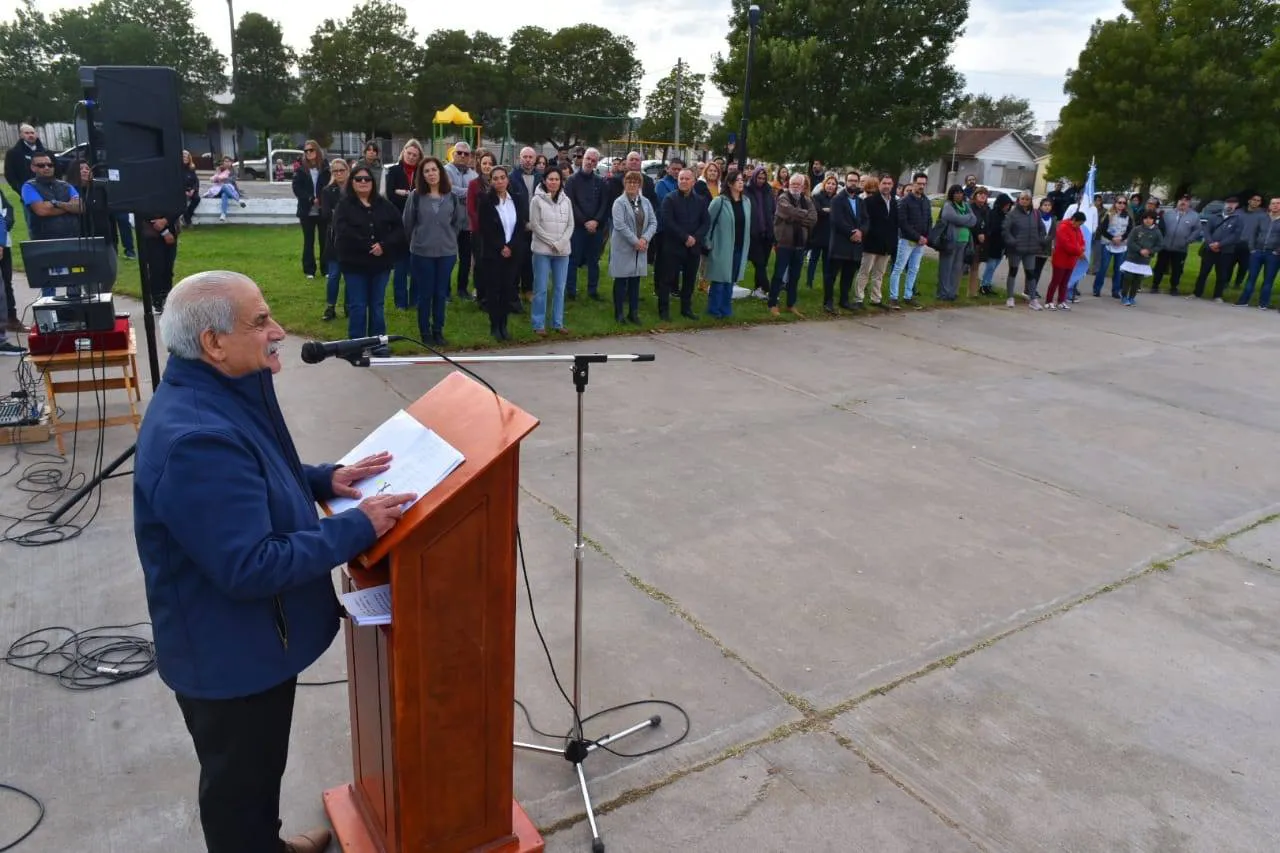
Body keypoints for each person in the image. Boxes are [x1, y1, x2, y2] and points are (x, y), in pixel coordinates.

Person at [134, 270, 415, 853]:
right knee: (239, 790)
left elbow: (253, 473)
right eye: (260, 322)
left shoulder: (219, 393)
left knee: (257, 780)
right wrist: (357, 526)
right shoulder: (196, 436)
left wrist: (322, 478)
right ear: (213, 343)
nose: (278, 331)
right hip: (230, 659)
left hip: (249, 646)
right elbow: (251, 564)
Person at [332, 162, 406, 351]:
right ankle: (355, 345)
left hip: (380, 264)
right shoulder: (344, 205)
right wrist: (367, 246)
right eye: (359, 179)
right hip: (354, 264)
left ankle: (377, 343)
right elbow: (343, 231)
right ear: (352, 182)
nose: (363, 182)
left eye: (367, 179)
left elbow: (398, 228)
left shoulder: (384, 205)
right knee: (358, 305)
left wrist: (384, 245)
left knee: (377, 305)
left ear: (373, 182)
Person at [403, 156, 467, 347]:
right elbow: (407, 223)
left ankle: (438, 330)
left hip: (446, 253)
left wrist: (448, 239)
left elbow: (457, 222)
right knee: (425, 294)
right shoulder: (415, 196)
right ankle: (425, 332)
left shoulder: (452, 197)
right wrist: (418, 240)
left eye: (434, 170)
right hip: (422, 253)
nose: (431, 174)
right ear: (422, 175)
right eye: (427, 171)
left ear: (441, 172)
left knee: (441, 293)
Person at [477, 165, 526, 341]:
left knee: (507, 290)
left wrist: (511, 247)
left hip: (512, 253)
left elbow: (520, 226)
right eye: (495, 178)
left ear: (507, 179)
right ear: (491, 182)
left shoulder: (516, 200)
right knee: (493, 290)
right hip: (493, 253)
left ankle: (504, 325)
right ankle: (494, 326)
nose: (499, 181)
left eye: (502, 177)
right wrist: (500, 247)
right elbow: (486, 229)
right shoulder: (485, 201)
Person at [528, 167, 575, 335]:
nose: (553, 182)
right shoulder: (536, 200)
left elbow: (571, 224)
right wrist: (552, 242)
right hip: (542, 250)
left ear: (561, 182)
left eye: (557, 179)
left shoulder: (566, 200)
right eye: (550, 179)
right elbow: (535, 225)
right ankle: (538, 323)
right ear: (544, 181)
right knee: (540, 288)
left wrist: (562, 242)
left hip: (562, 252)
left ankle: (557, 322)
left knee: (559, 288)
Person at [659, 168, 710, 321]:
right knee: (667, 279)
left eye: (687, 179)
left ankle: (686, 309)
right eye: (681, 178)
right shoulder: (670, 199)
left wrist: (695, 238)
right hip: (673, 246)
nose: (683, 181)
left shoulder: (700, 201)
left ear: (693, 181)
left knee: (689, 280)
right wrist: (685, 237)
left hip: (693, 247)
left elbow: (706, 222)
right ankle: (663, 310)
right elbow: (668, 221)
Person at [608, 170, 657, 324]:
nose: (632, 184)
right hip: (624, 247)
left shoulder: (646, 202)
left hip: (640, 248)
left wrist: (644, 238)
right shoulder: (619, 202)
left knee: (635, 281)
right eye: (629, 182)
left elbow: (653, 222)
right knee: (621, 281)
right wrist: (635, 241)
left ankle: (633, 313)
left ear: (639, 185)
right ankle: (619, 313)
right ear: (625, 183)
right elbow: (620, 225)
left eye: (635, 182)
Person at [703, 170, 751, 319]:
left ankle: (726, 308)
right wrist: (708, 242)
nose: (741, 182)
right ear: (730, 183)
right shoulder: (720, 201)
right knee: (719, 278)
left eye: (742, 180)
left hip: (739, 245)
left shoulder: (746, 202)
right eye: (738, 180)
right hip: (721, 245)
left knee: (731, 278)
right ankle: (714, 309)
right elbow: (708, 223)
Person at [769, 173, 817, 317]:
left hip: (800, 244)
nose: (795, 187)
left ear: (803, 187)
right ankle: (772, 303)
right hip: (784, 242)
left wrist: (794, 217)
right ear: (788, 185)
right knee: (778, 275)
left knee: (795, 275)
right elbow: (785, 211)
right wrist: (803, 215)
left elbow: (814, 218)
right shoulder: (783, 197)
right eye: (793, 184)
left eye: (798, 184)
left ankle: (791, 304)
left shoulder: (807, 200)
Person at [383, 139, 424, 308]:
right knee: (400, 266)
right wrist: (409, 195)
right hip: (398, 224)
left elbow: (422, 198)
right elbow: (391, 197)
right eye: (409, 153)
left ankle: (414, 300)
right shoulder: (393, 171)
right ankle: (400, 302)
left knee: (415, 266)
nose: (412, 157)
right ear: (403, 152)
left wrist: (403, 193)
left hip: (417, 224)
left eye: (415, 155)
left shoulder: (422, 173)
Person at [291, 140, 330, 279]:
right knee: (309, 241)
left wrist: (321, 198)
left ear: (317, 151)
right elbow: (296, 188)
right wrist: (310, 198)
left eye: (311, 150)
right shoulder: (301, 169)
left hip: (322, 209)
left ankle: (326, 269)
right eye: (306, 151)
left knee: (324, 240)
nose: (308, 153)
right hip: (306, 210)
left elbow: (329, 186)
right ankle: (309, 270)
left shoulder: (326, 168)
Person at [319, 158, 350, 321]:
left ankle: (349, 305)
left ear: (347, 170)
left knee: (350, 274)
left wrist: (337, 213)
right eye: (335, 171)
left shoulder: (355, 188)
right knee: (334, 275)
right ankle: (330, 307)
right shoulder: (327, 191)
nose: (338, 173)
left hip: (352, 238)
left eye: (341, 170)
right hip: (334, 238)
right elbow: (325, 214)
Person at [936, 185, 977, 302]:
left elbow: (974, 221)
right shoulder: (948, 205)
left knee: (957, 268)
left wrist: (964, 218)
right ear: (951, 194)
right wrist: (966, 218)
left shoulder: (966, 205)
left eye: (960, 193)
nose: (959, 195)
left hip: (964, 241)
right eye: (956, 193)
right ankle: (942, 293)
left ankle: (952, 293)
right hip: (950, 240)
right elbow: (953, 218)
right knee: (946, 268)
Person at [1118, 209, 1163, 306]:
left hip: (1144, 260)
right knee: (1128, 277)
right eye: (1146, 218)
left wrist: (1149, 251)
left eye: (1151, 218)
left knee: (1137, 279)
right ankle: (1124, 296)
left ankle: (1132, 297)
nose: (1148, 220)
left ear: (1154, 220)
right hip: (1132, 258)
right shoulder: (1137, 229)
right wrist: (1140, 250)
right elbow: (1130, 242)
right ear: (1143, 219)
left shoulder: (1157, 232)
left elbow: (1159, 245)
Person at [1046, 211, 1087, 310]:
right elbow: (1066, 245)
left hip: (1071, 260)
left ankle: (1061, 301)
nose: (1080, 225)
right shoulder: (1063, 227)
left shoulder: (1077, 229)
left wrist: (1082, 247)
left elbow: (1082, 240)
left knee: (1065, 282)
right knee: (1056, 281)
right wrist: (1079, 252)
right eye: (1079, 223)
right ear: (1074, 220)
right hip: (1061, 258)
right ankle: (1049, 301)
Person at [204, 156, 246, 222]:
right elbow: (214, 178)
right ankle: (238, 200)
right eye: (225, 161)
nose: (226, 163)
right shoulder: (220, 169)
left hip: (231, 190)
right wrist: (217, 178)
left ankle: (223, 214)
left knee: (224, 194)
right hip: (218, 190)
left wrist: (222, 179)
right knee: (223, 187)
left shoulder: (234, 170)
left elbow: (232, 180)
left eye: (228, 161)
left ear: (231, 162)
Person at [182, 150, 201, 226]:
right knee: (183, 202)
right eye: (183, 157)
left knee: (197, 198)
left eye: (187, 157)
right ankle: (188, 221)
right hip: (181, 191)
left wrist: (193, 190)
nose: (185, 159)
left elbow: (196, 181)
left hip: (191, 190)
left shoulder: (191, 168)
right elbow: (176, 182)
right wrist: (184, 191)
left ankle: (187, 217)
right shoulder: (177, 168)